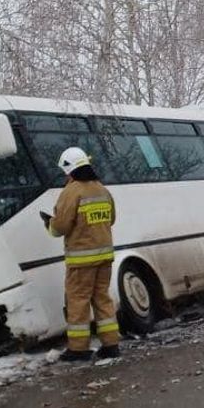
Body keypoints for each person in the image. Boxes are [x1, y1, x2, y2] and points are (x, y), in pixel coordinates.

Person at [43, 146, 121, 361]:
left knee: (78, 302)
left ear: (70, 168)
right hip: (105, 257)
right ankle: (111, 345)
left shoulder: (72, 191)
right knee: (102, 299)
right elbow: (111, 219)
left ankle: (78, 349)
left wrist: (48, 223)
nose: (64, 175)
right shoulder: (102, 189)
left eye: (65, 170)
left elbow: (60, 227)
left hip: (81, 260)